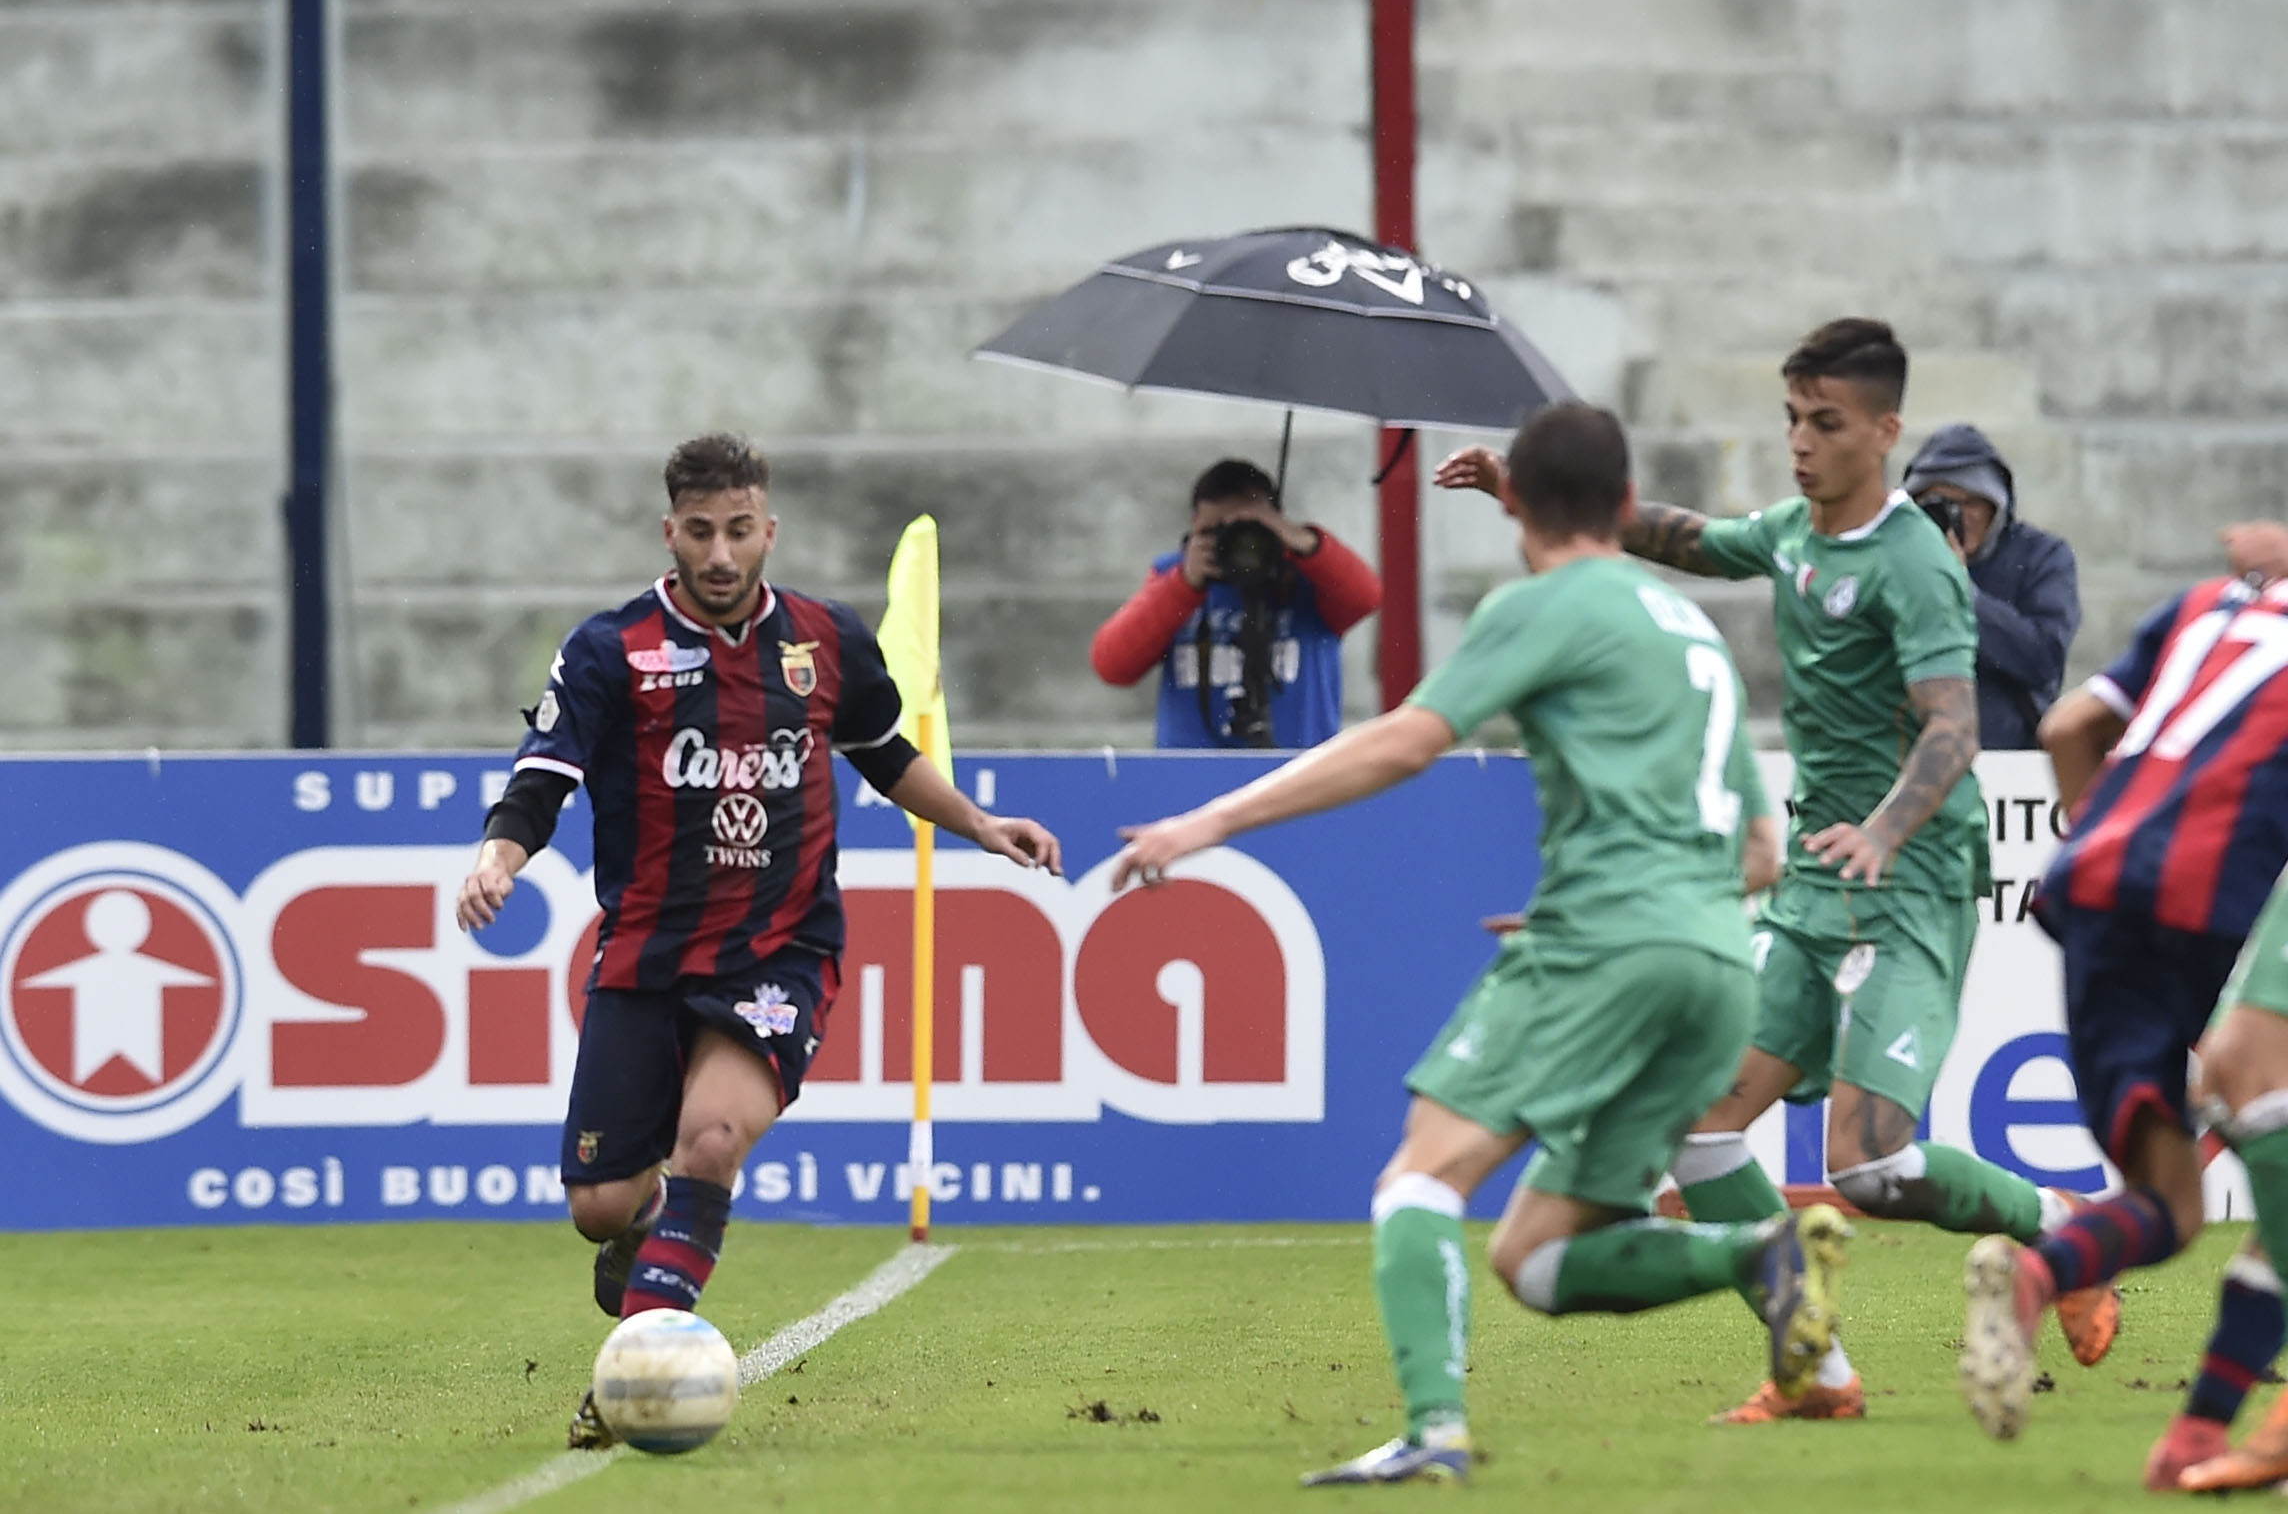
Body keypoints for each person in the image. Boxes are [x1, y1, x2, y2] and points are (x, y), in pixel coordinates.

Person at [1115, 402, 1850, 1486]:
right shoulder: (1689, 628)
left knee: (1419, 1175)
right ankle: (1757, 1253)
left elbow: (1406, 739)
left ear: (1519, 513)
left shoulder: (1536, 604)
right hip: (1712, 963)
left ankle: (1433, 1430)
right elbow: (1759, 847)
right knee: (1537, 1258)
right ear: (1624, 505)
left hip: (1609, 942)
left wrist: (1208, 820)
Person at [1437, 317, 2116, 1425]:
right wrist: (1531, 497)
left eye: (1824, 423)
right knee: (1699, 1128)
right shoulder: (1795, 534)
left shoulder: (1912, 564)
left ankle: (2070, 1233)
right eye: (1791, 419)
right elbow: (1687, 537)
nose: (1799, 442)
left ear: (1884, 432)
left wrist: (1887, 829)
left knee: (1868, 1168)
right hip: (1811, 886)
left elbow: (1952, 727)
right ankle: (1820, 1370)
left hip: (1911, 885)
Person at [453, 433, 1062, 1449]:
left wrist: (981, 825)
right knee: (600, 1205)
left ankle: (632, 1373)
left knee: (712, 1139)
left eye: (739, 530)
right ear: (670, 533)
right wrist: (496, 860)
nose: (723, 554)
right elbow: (542, 775)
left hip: (779, 949)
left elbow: (885, 754)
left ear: (767, 528)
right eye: (701, 532)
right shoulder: (612, 649)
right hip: (646, 953)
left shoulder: (825, 640)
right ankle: (642, 1237)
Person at [1958, 548, 2288, 1488]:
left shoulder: (2202, 606)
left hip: (2096, 888)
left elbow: (2070, 724)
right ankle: (2236, 1428)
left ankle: (2042, 1279)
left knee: (2172, 1204)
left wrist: (2110, 848)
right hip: (2221, 898)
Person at [1089, 458, 1381, 748]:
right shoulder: (1174, 577)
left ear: (1277, 522)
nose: (1231, 544)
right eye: (1213, 532)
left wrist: (1304, 541)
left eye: (1247, 531)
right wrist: (1183, 586)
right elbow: (1111, 665)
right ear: (1193, 529)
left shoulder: (1310, 578)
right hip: (1192, 778)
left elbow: (1367, 596)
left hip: (1298, 775)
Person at [1901, 423, 2081, 749]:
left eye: (1971, 502)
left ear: (1996, 506)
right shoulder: (1893, 557)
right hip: (1909, 750)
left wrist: (1961, 590)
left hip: (2010, 760)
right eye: (1941, 504)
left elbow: (2044, 661)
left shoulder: (2042, 556)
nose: (1958, 516)